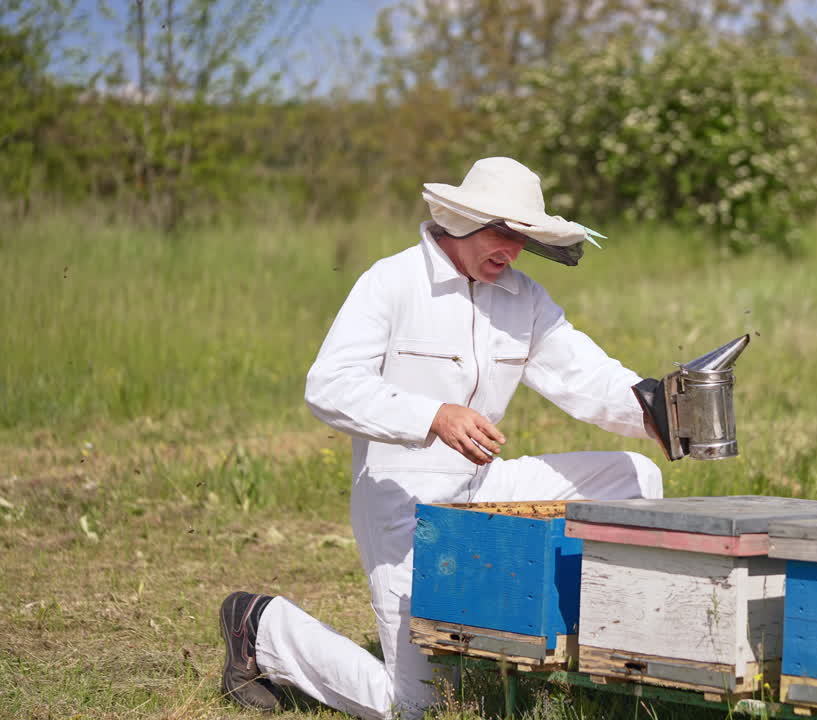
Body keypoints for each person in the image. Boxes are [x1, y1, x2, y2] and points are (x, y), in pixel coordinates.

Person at [217, 157, 664, 719]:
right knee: (418, 706)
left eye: (522, 235)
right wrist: (433, 416)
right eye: (501, 232)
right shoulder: (392, 280)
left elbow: (584, 373)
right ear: (460, 220)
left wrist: (654, 409)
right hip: (403, 503)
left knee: (634, 474)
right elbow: (328, 386)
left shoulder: (524, 298)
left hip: (486, 484)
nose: (512, 249)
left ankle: (608, 646)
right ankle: (260, 626)